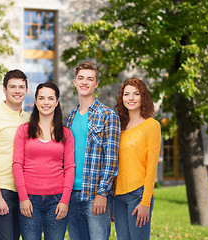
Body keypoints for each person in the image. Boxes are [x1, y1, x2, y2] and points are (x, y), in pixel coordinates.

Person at [12, 81, 75, 240]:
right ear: (35, 101)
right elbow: (17, 165)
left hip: (57, 200)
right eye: (41, 98)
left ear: (56, 102)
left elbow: (69, 168)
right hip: (30, 199)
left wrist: (65, 200)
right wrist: (23, 197)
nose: (46, 102)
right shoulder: (24, 130)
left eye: (50, 98)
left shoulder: (66, 133)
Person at [65, 62, 121, 240]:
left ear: (96, 84)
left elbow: (111, 159)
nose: (84, 82)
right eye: (81, 78)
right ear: (75, 82)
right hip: (71, 196)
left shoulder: (108, 116)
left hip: (94, 195)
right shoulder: (69, 119)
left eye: (90, 79)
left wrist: (102, 193)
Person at [0, 70, 30, 240]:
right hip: (2, 188)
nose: (17, 91)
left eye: (21, 87)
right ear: (4, 89)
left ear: (26, 90)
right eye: (13, 87)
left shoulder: (29, 119)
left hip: (24, 190)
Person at [113, 78, 161, 240]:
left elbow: (152, 166)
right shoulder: (118, 126)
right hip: (118, 196)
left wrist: (145, 202)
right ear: (122, 98)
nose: (131, 98)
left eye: (136, 94)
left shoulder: (151, 126)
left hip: (138, 195)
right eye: (126, 94)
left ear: (143, 97)